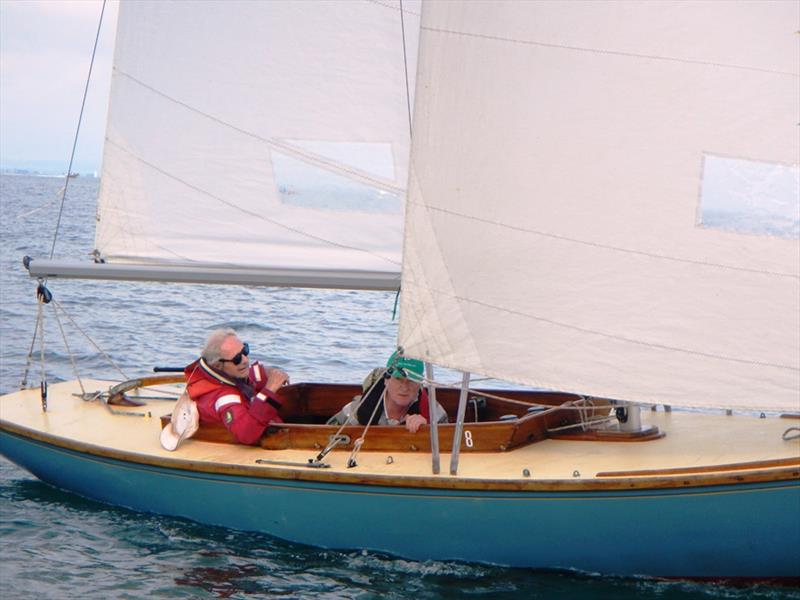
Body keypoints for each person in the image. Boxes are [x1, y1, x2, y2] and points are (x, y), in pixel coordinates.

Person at [183, 328, 290, 445]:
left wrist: (271, 372)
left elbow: (254, 374)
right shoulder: (223, 398)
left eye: (245, 351)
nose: (245, 360)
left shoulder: (233, 374)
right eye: (237, 359)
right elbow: (247, 433)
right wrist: (269, 390)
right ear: (218, 365)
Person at [328, 350, 448, 433]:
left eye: (411, 381)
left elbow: (448, 444)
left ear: (420, 383)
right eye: (398, 379)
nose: (404, 387)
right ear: (386, 380)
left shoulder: (434, 413)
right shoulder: (355, 410)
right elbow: (323, 436)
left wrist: (427, 428)